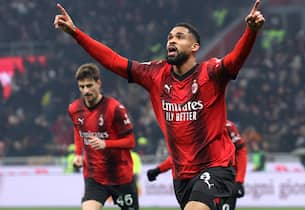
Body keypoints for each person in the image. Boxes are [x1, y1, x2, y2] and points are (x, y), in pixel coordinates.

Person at [54, 1, 264, 209]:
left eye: (179, 37)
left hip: (216, 166)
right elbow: (113, 60)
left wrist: (251, 31)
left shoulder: (211, 73)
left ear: (195, 47)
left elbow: (236, 58)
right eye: (170, 37)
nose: (172, 41)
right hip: (182, 175)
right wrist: (75, 33)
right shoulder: (155, 74)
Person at [67, 63, 139, 210]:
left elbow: (131, 142)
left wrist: (106, 144)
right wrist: (77, 154)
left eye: (89, 85)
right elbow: (78, 129)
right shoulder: (74, 109)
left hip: (120, 176)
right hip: (94, 176)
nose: (86, 91)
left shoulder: (114, 108)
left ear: (98, 83)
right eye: (82, 87)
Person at [147, 120, 247, 209]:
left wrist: (239, 181)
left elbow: (241, 152)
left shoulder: (227, 126)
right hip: (196, 179)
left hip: (221, 176)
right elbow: (179, 157)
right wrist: (158, 170)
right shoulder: (192, 127)